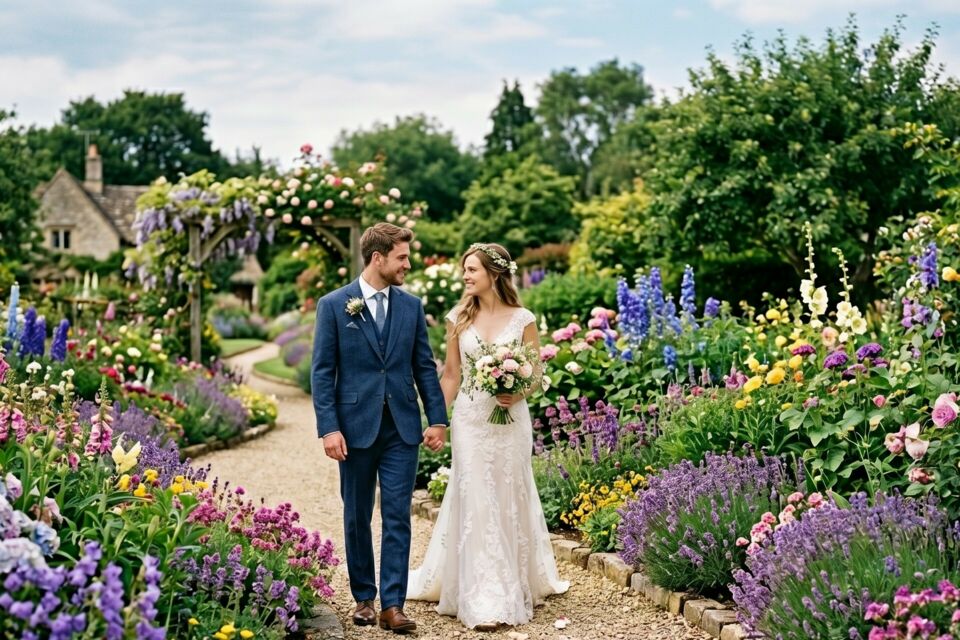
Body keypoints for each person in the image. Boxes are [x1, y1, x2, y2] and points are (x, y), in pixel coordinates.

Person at [407, 242, 569, 631]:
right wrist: (435, 420)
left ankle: (517, 577)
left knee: (509, 492)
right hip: (471, 421)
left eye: (472, 270)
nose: (465, 276)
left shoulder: (523, 318)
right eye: (464, 269)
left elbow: (534, 373)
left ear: (494, 274)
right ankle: (485, 594)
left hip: (511, 422)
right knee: (477, 495)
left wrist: (517, 391)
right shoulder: (457, 318)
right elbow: (450, 375)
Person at [311, 222, 448, 634]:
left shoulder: (411, 307)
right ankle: (364, 599)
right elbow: (322, 372)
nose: (408, 263)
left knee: (397, 516)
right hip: (353, 429)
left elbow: (424, 366)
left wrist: (437, 419)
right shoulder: (334, 305)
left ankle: (393, 604)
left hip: (402, 429)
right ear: (377, 258)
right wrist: (328, 427)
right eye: (402, 257)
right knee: (356, 515)